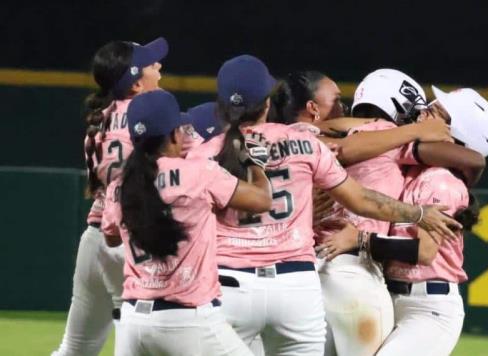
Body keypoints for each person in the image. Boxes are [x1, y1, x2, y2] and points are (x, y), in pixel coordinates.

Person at [192, 54, 461, 356]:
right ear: (266, 102)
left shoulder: (205, 154)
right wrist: (418, 212)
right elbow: (360, 198)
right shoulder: (308, 143)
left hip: (235, 281)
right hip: (309, 280)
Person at [320, 86, 488, 356]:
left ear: (456, 134)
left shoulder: (442, 182)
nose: (424, 110)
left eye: (437, 111)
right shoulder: (411, 168)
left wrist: (361, 240)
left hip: (428, 306)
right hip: (393, 295)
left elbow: (424, 253)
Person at [102, 89, 272, 356]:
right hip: (187, 320)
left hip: (134, 322)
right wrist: (256, 165)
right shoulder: (198, 172)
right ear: (173, 134)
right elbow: (262, 200)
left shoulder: (119, 186)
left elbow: (110, 237)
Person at [52, 37, 169, 356]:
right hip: (133, 241)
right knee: (143, 344)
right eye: (150, 64)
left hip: (96, 238)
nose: (158, 66)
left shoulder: (99, 118)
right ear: (134, 84)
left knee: (75, 348)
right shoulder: (152, 117)